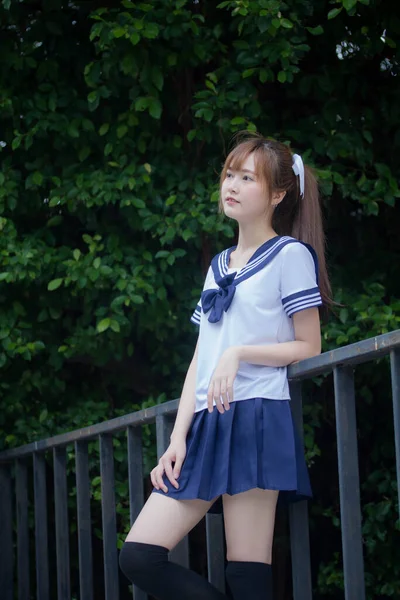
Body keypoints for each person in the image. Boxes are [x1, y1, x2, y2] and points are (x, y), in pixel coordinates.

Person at [119, 134, 331, 599]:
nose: (231, 185)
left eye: (246, 178)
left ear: (277, 194)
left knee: (247, 574)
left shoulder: (291, 256)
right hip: (207, 424)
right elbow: (202, 353)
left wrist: (240, 353)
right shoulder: (218, 265)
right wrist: (177, 437)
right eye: (229, 175)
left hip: (257, 416)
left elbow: (309, 345)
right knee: (139, 556)